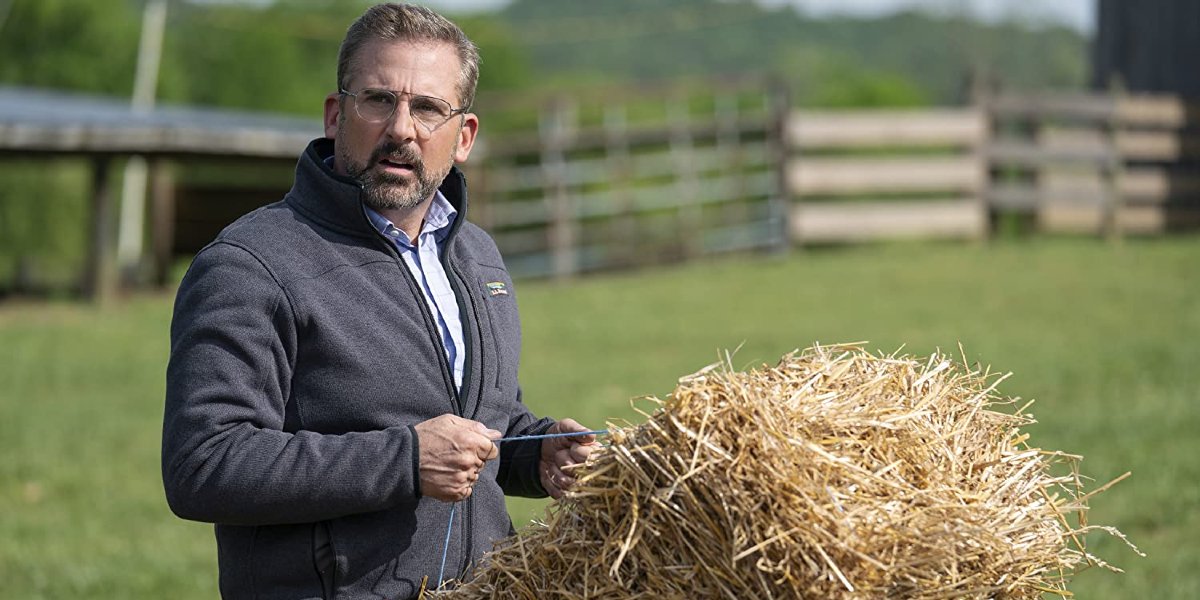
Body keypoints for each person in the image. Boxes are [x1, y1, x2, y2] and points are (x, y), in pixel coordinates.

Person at [161, 4, 597, 598]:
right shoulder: (249, 265)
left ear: (463, 135)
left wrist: (537, 451)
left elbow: (484, 420)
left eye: (427, 108)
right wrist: (406, 460)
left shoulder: (477, 256)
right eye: (378, 101)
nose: (401, 129)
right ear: (336, 115)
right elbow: (204, 465)